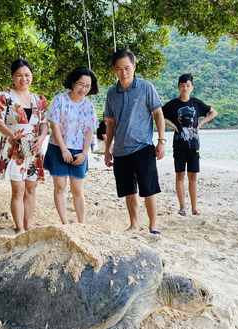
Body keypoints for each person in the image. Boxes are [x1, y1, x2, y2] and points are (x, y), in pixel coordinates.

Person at [104, 49, 167, 234]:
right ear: (114, 70)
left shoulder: (146, 87)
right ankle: (134, 224)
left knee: (149, 189)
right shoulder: (111, 93)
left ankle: (153, 225)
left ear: (134, 67)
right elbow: (111, 123)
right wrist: (108, 149)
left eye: (127, 68)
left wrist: (161, 141)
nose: (124, 73)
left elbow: (158, 114)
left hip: (143, 147)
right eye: (119, 69)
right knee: (129, 190)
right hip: (121, 150)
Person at [0, 59, 48, 233]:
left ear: (31, 76)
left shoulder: (39, 99)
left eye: (27, 75)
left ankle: (28, 225)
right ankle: (20, 228)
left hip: (34, 146)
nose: (23, 79)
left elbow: (44, 123)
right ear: (12, 77)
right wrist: (10, 134)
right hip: (14, 145)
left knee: (31, 188)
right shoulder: (4, 96)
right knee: (18, 189)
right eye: (19, 75)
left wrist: (41, 138)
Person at [44, 67, 99, 224]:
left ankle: (81, 224)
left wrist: (84, 153)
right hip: (58, 147)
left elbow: (89, 131)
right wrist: (63, 149)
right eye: (80, 84)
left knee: (78, 190)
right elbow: (54, 126)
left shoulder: (88, 106)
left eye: (87, 86)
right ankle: (65, 223)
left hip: (79, 150)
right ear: (73, 82)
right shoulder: (59, 100)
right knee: (60, 187)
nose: (83, 89)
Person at [162, 73, 218, 216]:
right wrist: (170, 125)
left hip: (194, 145)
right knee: (180, 175)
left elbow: (213, 112)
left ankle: (194, 208)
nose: (185, 88)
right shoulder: (173, 104)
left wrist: (200, 123)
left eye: (187, 85)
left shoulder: (196, 103)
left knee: (193, 176)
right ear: (178, 87)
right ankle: (182, 207)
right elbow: (156, 115)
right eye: (182, 85)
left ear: (192, 87)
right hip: (178, 146)